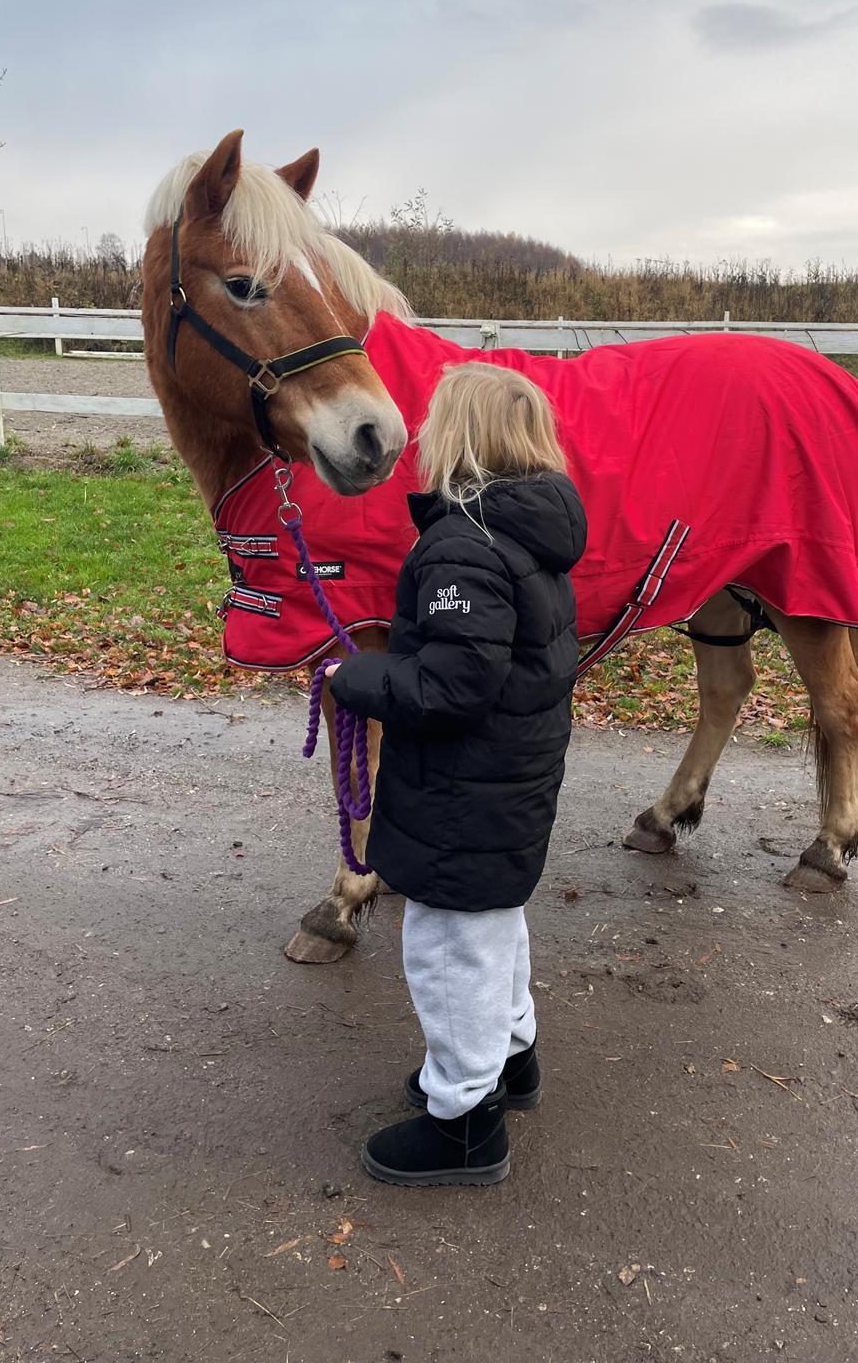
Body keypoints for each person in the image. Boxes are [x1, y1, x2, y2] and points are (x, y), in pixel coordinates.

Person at [326, 361, 587, 1186]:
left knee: (448, 948)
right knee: (493, 928)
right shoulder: (531, 536)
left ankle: (465, 1121)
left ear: (460, 439)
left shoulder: (463, 546)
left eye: (435, 421)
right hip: (505, 786)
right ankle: (512, 1060)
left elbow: (452, 685)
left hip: (461, 794)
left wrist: (355, 677)